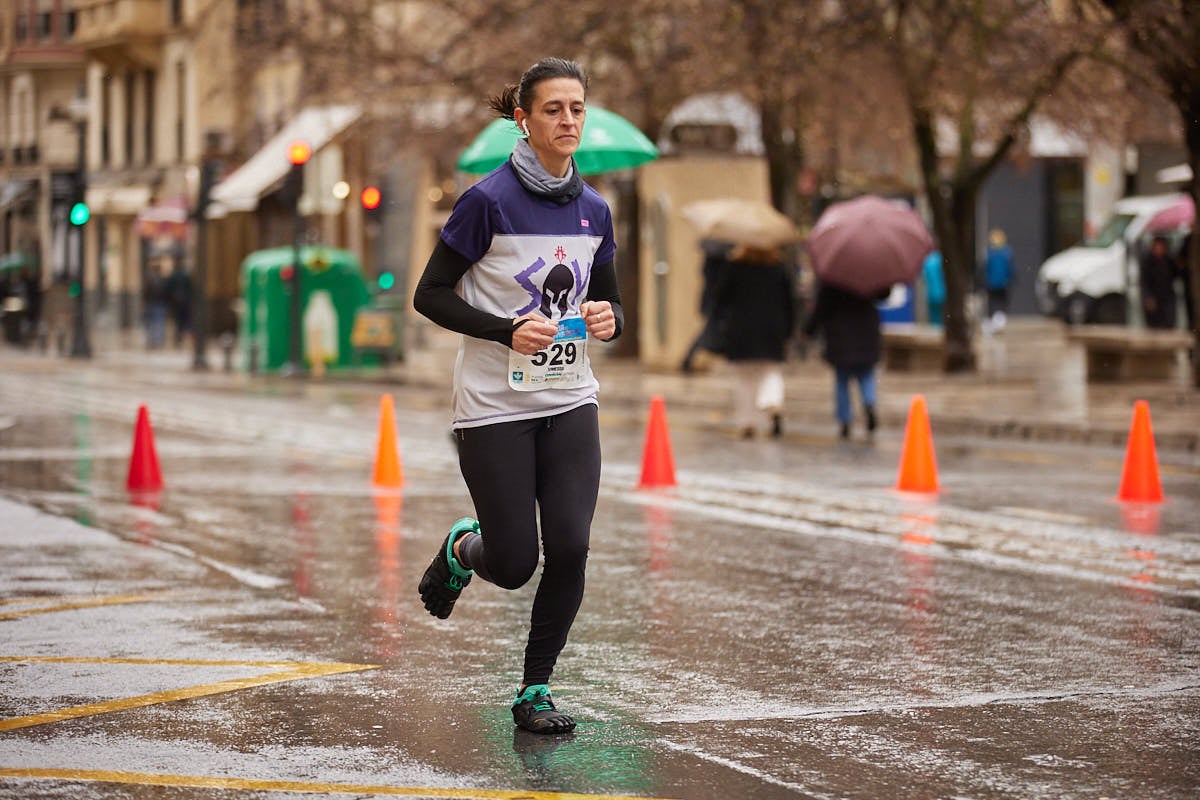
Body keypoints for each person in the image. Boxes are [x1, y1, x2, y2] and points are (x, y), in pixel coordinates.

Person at [412, 57, 621, 736]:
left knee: (570, 546)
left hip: (569, 400)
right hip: (494, 406)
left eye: (577, 108)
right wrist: (506, 330)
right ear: (524, 120)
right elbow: (430, 294)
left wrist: (608, 317)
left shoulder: (594, 211)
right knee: (513, 563)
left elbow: (609, 297)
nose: (568, 120)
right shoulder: (487, 202)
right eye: (554, 109)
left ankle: (535, 689)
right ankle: (463, 550)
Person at [707, 244, 795, 438]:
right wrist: (788, 331)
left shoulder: (735, 266)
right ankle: (772, 400)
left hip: (741, 329)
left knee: (744, 379)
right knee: (771, 370)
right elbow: (789, 302)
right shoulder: (778, 267)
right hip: (772, 328)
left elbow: (719, 297)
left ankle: (747, 422)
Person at [801, 281, 885, 440]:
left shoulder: (833, 278)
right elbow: (883, 293)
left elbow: (821, 308)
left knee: (842, 380)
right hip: (866, 330)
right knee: (866, 375)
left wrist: (809, 331)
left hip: (840, 333)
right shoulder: (870, 274)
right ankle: (869, 403)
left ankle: (845, 420)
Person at [680, 239, 732, 373]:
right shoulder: (719, 265)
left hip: (711, 301)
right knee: (708, 331)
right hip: (714, 302)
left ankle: (689, 359)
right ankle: (688, 359)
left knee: (709, 330)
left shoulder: (709, 263)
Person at [1140, 235, 1177, 330]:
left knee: (1169, 324)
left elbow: (1175, 275)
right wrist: (1148, 297)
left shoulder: (1169, 260)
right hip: (1154, 298)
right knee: (1155, 326)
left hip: (1167, 298)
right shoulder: (1147, 262)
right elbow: (1144, 282)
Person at [983, 228, 1014, 333]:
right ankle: (998, 322)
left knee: (992, 303)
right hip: (1002, 283)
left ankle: (992, 323)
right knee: (1001, 303)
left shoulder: (989, 253)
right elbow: (1010, 269)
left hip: (991, 283)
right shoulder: (1007, 253)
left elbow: (985, 268)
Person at [165, 261, 193, 347]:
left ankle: (178, 337)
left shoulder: (173, 277)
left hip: (175, 302)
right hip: (185, 301)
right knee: (185, 320)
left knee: (177, 320)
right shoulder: (185, 276)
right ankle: (183, 337)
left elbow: (168, 289)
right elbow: (190, 288)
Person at [142, 263, 169, 349]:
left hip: (151, 304)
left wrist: (144, 303)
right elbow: (166, 293)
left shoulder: (149, 280)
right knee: (159, 323)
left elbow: (145, 293)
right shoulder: (163, 280)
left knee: (151, 323)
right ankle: (158, 340)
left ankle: (151, 340)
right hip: (160, 304)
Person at [921, 249, 945, 327]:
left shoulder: (927, 261)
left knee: (934, 319)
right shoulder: (941, 260)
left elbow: (924, 277)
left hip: (931, 294)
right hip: (943, 293)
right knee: (943, 317)